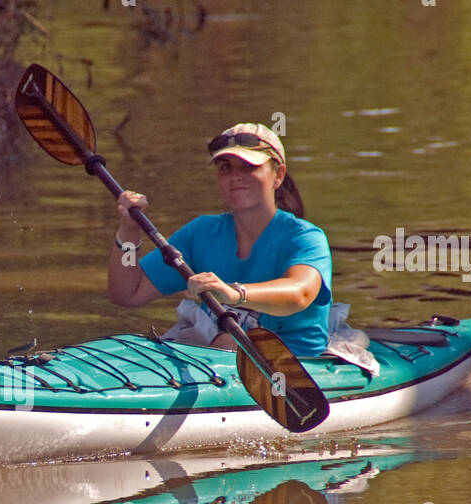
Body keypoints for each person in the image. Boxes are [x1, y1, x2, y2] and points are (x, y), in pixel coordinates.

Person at [106, 123, 333, 357]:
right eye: (225, 167)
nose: (235, 176)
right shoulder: (201, 232)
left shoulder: (305, 237)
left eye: (248, 167)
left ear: (278, 175)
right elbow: (127, 293)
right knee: (224, 342)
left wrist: (235, 294)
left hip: (295, 366)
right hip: (217, 356)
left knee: (229, 342)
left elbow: (300, 294)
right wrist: (129, 232)